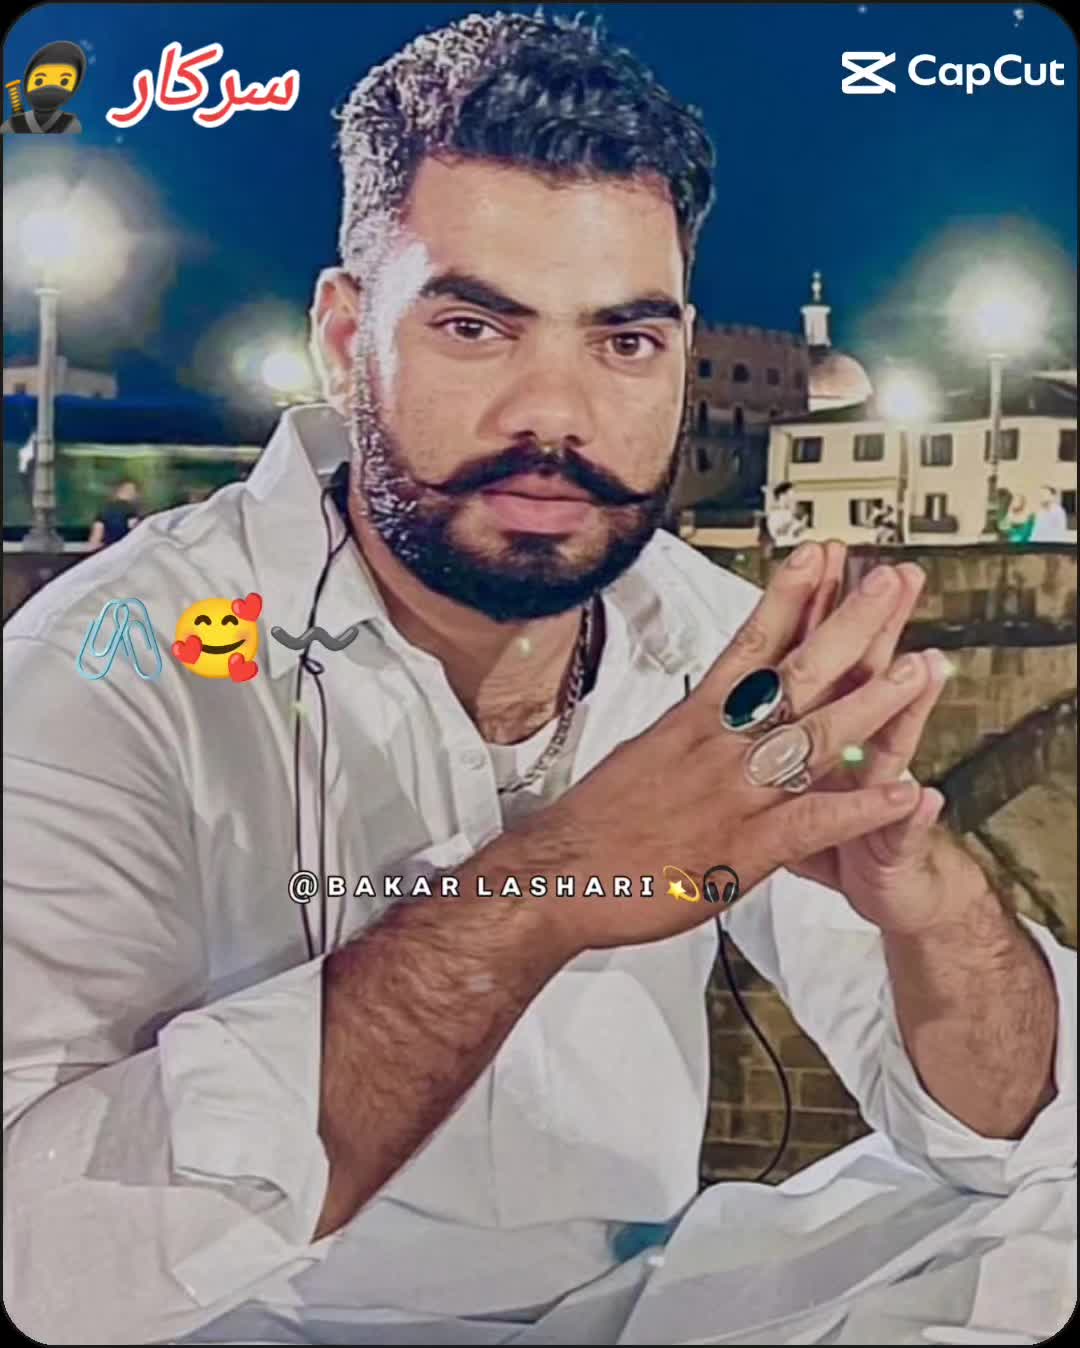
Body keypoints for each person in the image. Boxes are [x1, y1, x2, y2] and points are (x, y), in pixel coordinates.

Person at [3, 13, 1074, 1347]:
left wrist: (930, 901)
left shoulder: (711, 640)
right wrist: (551, 886)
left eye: (624, 343)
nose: (555, 416)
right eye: (474, 326)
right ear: (345, 337)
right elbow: (33, 1252)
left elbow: (1010, 1129)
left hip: (625, 1313)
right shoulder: (112, 658)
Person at [86, 478, 140, 549]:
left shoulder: (104, 509)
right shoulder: (130, 510)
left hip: (109, 550)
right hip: (124, 550)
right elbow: (134, 533)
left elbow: (95, 537)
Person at [764, 481, 807, 547]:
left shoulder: (789, 512)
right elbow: (779, 533)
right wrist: (792, 521)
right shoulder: (775, 513)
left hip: (796, 545)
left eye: (793, 495)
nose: (792, 498)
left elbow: (795, 534)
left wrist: (803, 525)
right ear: (782, 496)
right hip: (783, 548)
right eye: (790, 495)